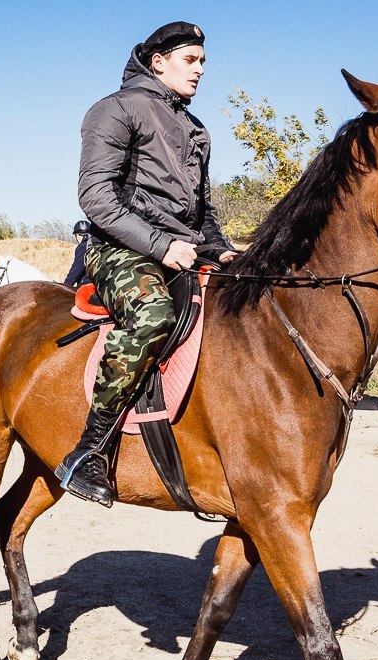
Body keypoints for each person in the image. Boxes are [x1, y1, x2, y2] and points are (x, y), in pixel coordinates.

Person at [56, 21, 237, 506]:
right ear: (159, 62)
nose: (201, 70)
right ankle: (87, 450)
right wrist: (160, 246)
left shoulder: (197, 129)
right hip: (118, 248)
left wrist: (220, 248)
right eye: (191, 61)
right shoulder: (113, 110)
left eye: (203, 62)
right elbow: (95, 197)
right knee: (153, 313)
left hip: (180, 250)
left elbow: (203, 212)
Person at [63, 219, 93, 287]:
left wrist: (66, 285)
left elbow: (76, 270)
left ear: (78, 235)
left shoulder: (83, 247)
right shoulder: (96, 245)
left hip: (87, 285)